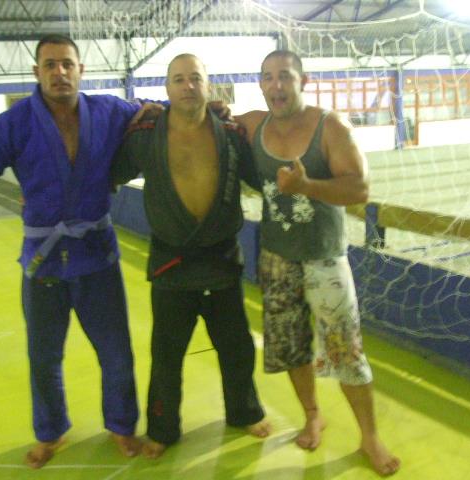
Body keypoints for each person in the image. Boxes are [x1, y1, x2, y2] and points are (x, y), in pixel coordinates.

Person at [0, 34, 152, 468]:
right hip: (43, 258)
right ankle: (51, 432)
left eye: (67, 64)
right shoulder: (15, 122)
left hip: (97, 257)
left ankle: (121, 425)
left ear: (81, 70)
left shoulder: (108, 111)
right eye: (50, 65)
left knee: (116, 352)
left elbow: (154, 111)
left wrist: (206, 109)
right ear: (36, 72)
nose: (59, 72)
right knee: (44, 357)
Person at [236, 50, 401, 476]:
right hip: (276, 258)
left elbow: (359, 189)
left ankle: (369, 436)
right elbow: (206, 121)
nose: (276, 85)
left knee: (346, 352)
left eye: (285, 77)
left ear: (303, 81)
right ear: (260, 84)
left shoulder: (331, 127)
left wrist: (307, 185)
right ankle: (312, 415)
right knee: (292, 348)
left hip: (325, 259)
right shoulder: (252, 125)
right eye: (267, 77)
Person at [112, 53, 271, 459]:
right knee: (167, 355)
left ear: (207, 84)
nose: (188, 86)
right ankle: (162, 429)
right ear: (167, 88)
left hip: (221, 259)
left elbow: (263, 177)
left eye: (195, 78)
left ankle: (244, 411)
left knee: (236, 347)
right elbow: (109, 172)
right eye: (179, 79)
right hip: (172, 264)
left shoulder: (230, 133)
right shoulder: (145, 135)